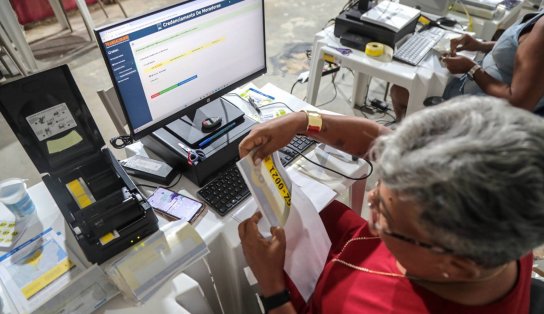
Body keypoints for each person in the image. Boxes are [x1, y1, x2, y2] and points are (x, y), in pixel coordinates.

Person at [237, 96, 544, 313]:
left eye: (384, 214)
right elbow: (379, 139)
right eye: (378, 189)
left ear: (456, 265)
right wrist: (304, 121)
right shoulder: (511, 209)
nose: (370, 204)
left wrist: (272, 287)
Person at [390, 11, 544, 120]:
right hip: (477, 85)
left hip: (488, 110)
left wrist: (471, 69)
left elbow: (519, 103)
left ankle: (415, 146)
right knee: (417, 81)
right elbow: (522, 48)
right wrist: (480, 45)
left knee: (401, 91)